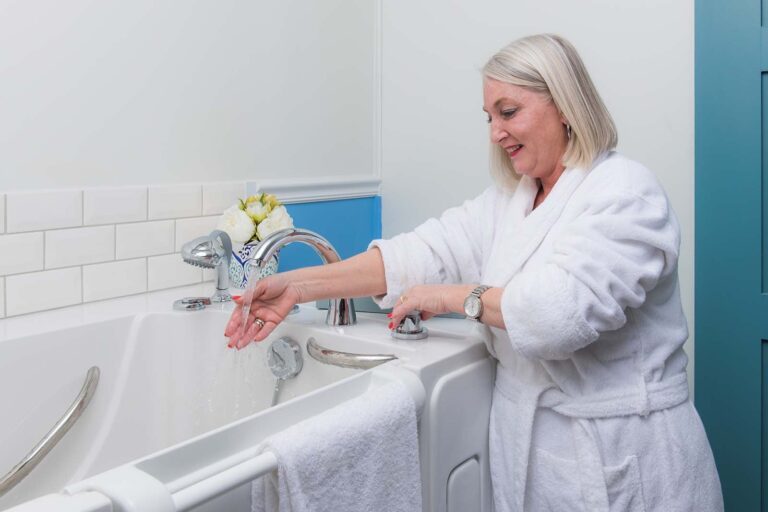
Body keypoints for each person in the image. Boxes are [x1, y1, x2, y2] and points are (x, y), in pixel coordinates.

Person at [225, 34, 723, 512]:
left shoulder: (625, 191)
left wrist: (451, 298)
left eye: (509, 112)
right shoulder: (513, 199)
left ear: (567, 104)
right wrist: (299, 285)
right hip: (536, 460)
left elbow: (556, 316)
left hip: (625, 461)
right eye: (489, 117)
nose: (495, 132)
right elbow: (418, 253)